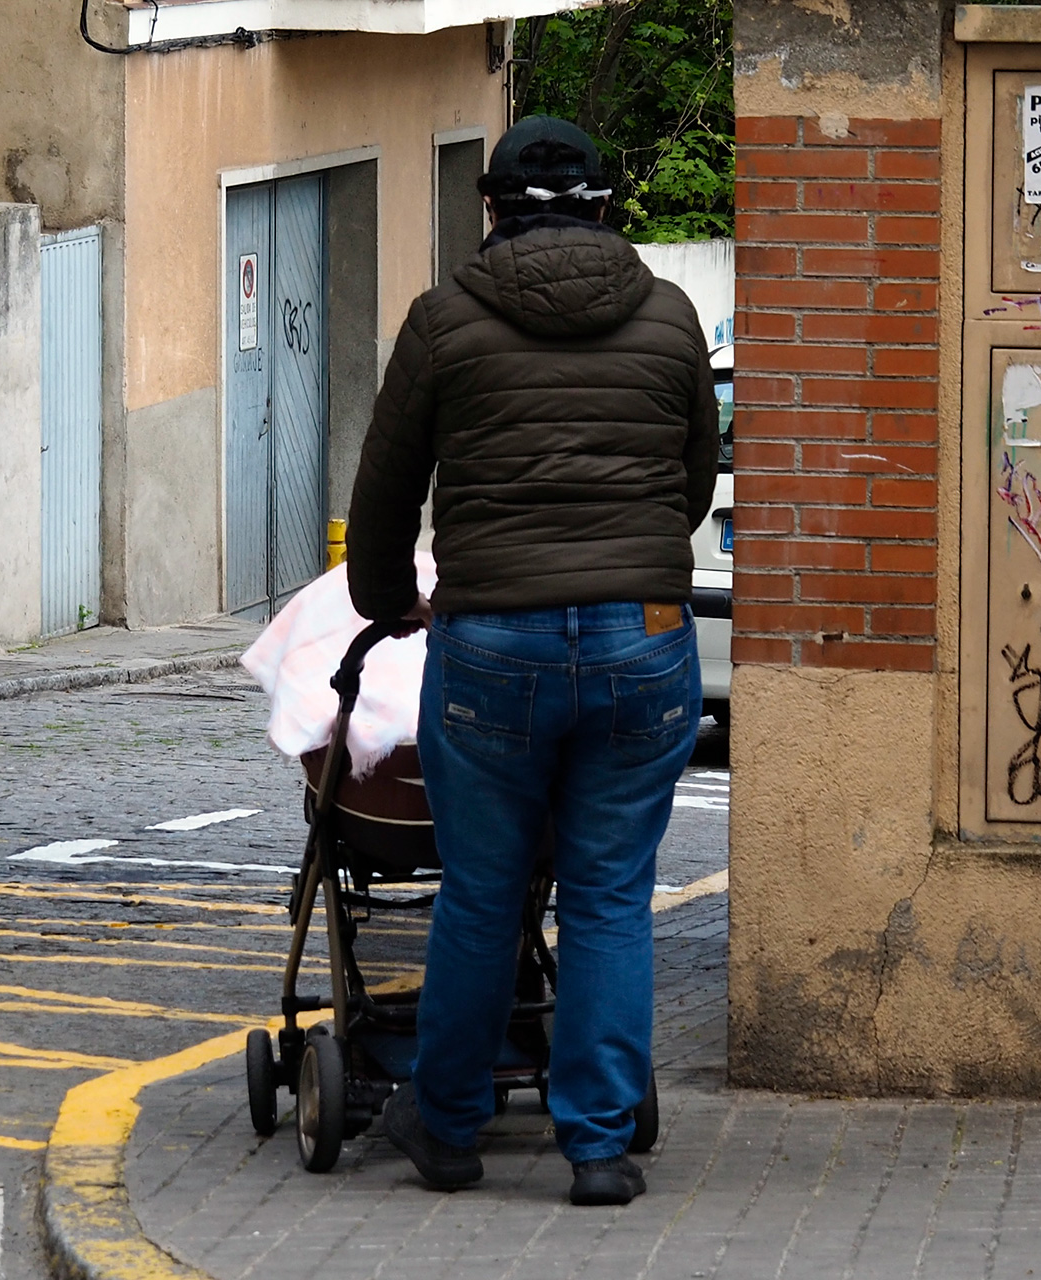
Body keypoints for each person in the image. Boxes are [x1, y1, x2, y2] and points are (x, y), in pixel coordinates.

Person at [345, 117, 717, 1206]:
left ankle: (450, 1127)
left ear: (492, 208)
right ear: (609, 206)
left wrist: (385, 601)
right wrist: (633, 554)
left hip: (494, 632)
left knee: (484, 893)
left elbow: (386, 485)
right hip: (641, 634)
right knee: (607, 894)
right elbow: (692, 476)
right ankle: (597, 1146)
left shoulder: (445, 320)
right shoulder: (669, 314)